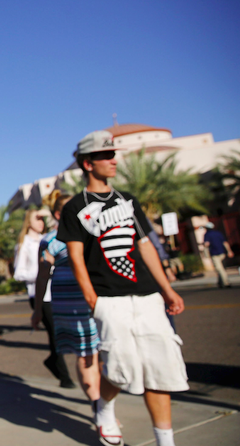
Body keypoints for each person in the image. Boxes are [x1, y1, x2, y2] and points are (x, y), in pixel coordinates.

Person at [57, 130, 188, 446]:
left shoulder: (127, 200)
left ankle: (165, 441)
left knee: (160, 367)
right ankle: (104, 407)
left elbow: (145, 247)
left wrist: (167, 290)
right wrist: (92, 300)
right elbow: (76, 257)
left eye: (113, 154)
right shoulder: (75, 207)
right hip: (108, 298)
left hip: (146, 295)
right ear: (88, 163)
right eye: (105, 155)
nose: (113, 160)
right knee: (119, 368)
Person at [32, 191, 92, 395]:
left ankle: (104, 402)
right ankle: (98, 405)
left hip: (99, 300)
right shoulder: (50, 241)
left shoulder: (93, 233)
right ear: (58, 215)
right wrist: (37, 309)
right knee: (86, 354)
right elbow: (42, 276)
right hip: (72, 304)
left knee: (104, 353)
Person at [14, 209, 46, 307]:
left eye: (42, 219)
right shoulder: (24, 244)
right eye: (37, 219)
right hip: (38, 294)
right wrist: (41, 274)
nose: (41, 222)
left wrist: (49, 214)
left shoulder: (46, 239)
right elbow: (18, 274)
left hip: (55, 293)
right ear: (28, 222)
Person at [203, 222, 234, 288]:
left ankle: (226, 283)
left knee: (220, 269)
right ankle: (220, 282)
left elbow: (206, 244)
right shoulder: (218, 233)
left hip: (215, 254)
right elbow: (225, 243)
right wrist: (229, 251)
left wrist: (205, 252)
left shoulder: (207, 234)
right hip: (222, 253)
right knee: (222, 268)